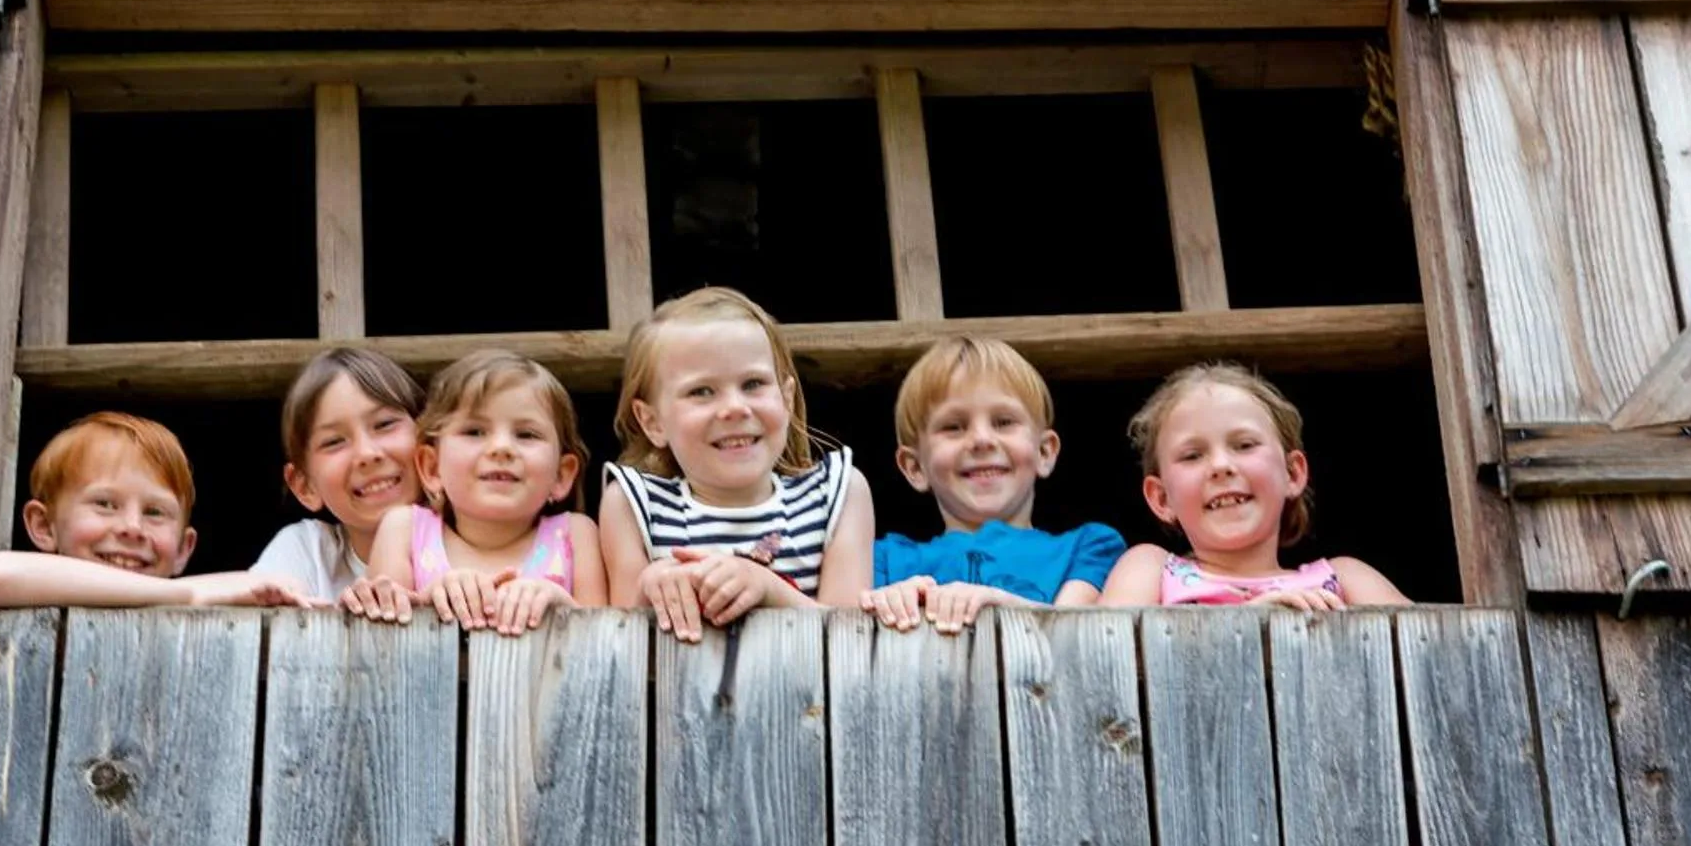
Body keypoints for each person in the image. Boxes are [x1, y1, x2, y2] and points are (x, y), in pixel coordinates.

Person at [601, 286, 874, 640]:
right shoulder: (634, 505)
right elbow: (620, 643)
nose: (735, 408)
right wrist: (648, 589)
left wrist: (767, 587)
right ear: (652, 422)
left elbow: (851, 639)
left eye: (753, 383)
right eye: (701, 391)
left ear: (787, 398)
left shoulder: (836, 494)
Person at [863, 335, 1124, 631]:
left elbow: (1074, 634)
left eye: (1003, 422)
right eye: (953, 426)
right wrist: (892, 604)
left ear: (1044, 452)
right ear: (915, 467)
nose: (982, 440)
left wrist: (1002, 605)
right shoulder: (882, 562)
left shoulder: (1088, 548)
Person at [1100, 363, 1407, 609]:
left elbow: (1424, 648)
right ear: (1161, 498)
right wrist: (1249, 624)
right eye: (1192, 455)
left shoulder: (1346, 579)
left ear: (1292, 473)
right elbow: (1103, 652)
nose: (1220, 466)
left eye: (1245, 445)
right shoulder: (1150, 570)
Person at [347, 351, 605, 633]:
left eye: (526, 434)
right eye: (475, 432)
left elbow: (608, 639)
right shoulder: (404, 531)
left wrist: (563, 607)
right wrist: (429, 602)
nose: (501, 447)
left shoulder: (575, 535)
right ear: (432, 468)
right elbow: (378, 637)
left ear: (561, 475)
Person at [0, 411, 315, 607]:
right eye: (105, 504)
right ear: (43, 525)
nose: (132, 527)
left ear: (184, 549)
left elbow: (284, 584)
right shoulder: (24, 584)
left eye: (155, 512)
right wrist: (190, 594)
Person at [251, 346, 425, 599]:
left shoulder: (471, 536)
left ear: (430, 444)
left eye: (384, 424)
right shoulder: (309, 551)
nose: (367, 453)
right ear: (305, 486)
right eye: (334, 442)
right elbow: (249, 592)